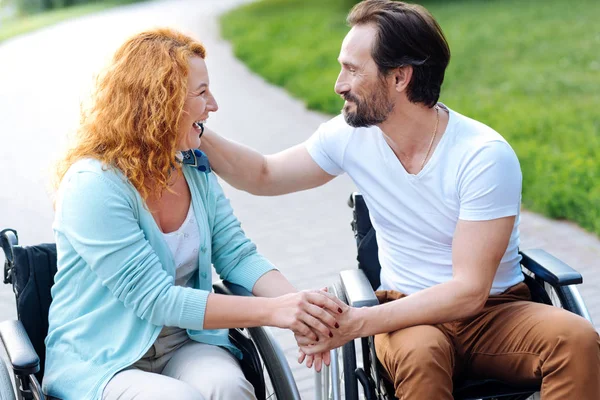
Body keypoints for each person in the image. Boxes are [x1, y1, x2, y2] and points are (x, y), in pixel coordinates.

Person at [199, 1, 600, 399]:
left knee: (577, 340)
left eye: (353, 70)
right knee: (421, 354)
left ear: (399, 78)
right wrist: (192, 126)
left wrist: (359, 322)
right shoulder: (350, 135)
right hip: (406, 315)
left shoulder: (482, 155)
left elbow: (469, 290)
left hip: (493, 313)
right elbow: (264, 175)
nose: (339, 84)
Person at [44, 28, 347, 400]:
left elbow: (237, 256)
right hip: (103, 359)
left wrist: (303, 310)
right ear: (160, 102)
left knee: (229, 387)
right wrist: (273, 311)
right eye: (201, 93)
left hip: (182, 343)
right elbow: (155, 300)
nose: (214, 105)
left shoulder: (193, 169)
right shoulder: (93, 184)